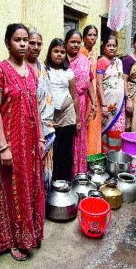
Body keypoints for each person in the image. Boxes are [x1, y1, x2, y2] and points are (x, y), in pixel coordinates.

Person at [0, 23, 45, 261]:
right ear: (7, 43)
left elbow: (35, 107)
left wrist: (41, 137)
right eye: (17, 40)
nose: (23, 44)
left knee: (31, 186)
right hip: (11, 142)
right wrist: (3, 147)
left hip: (32, 141)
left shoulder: (31, 72)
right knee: (13, 189)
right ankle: (12, 240)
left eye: (25, 40)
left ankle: (29, 234)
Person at [24, 28, 55, 193]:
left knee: (45, 169)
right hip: (28, 128)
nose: (35, 47)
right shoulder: (20, 67)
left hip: (46, 126)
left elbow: (47, 97)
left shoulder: (42, 66)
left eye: (38, 44)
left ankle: (44, 204)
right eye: (32, 43)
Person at [45, 38, 80, 181]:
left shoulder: (69, 72)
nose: (59, 55)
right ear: (50, 52)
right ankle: (52, 183)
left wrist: (78, 119)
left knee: (66, 151)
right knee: (54, 150)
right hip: (51, 117)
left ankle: (65, 182)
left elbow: (75, 97)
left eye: (62, 52)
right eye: (56, 51)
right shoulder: (44, 70)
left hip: (67, 117)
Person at [65, 29, 96, 177]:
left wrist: (94, 102)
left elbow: (90, 81)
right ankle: (67, 173)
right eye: (72, 42)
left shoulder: (84, 60)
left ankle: (79, 171)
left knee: (79, 136)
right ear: (66, 42)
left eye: (78, 42)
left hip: (81, 103)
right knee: (67, 139)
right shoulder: (61, 59)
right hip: (65, 105)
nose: (76, 45)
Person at [96, 35, 126, 153]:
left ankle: (116, 158)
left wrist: (127, 97)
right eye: (109, 46)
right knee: (107, 131)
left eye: (114, 46)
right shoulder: (101, 62)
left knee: (118, 131)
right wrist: (103, 105)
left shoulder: (119, 62)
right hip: (107, 104)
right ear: (104, 48)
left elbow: (122, 80)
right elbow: (98, 84)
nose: (112, 48)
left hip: (120, 104)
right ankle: (106, 159)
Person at [80, 25, 101, 155]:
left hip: (93, 93)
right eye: (89, 35)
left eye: (94, 35)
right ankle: (83, 153)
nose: (92, 38)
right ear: (84, 37)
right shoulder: (81, 52)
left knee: (93, 124)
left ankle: (92, 153)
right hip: (84, 92)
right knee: (84, 124)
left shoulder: (94, 52)